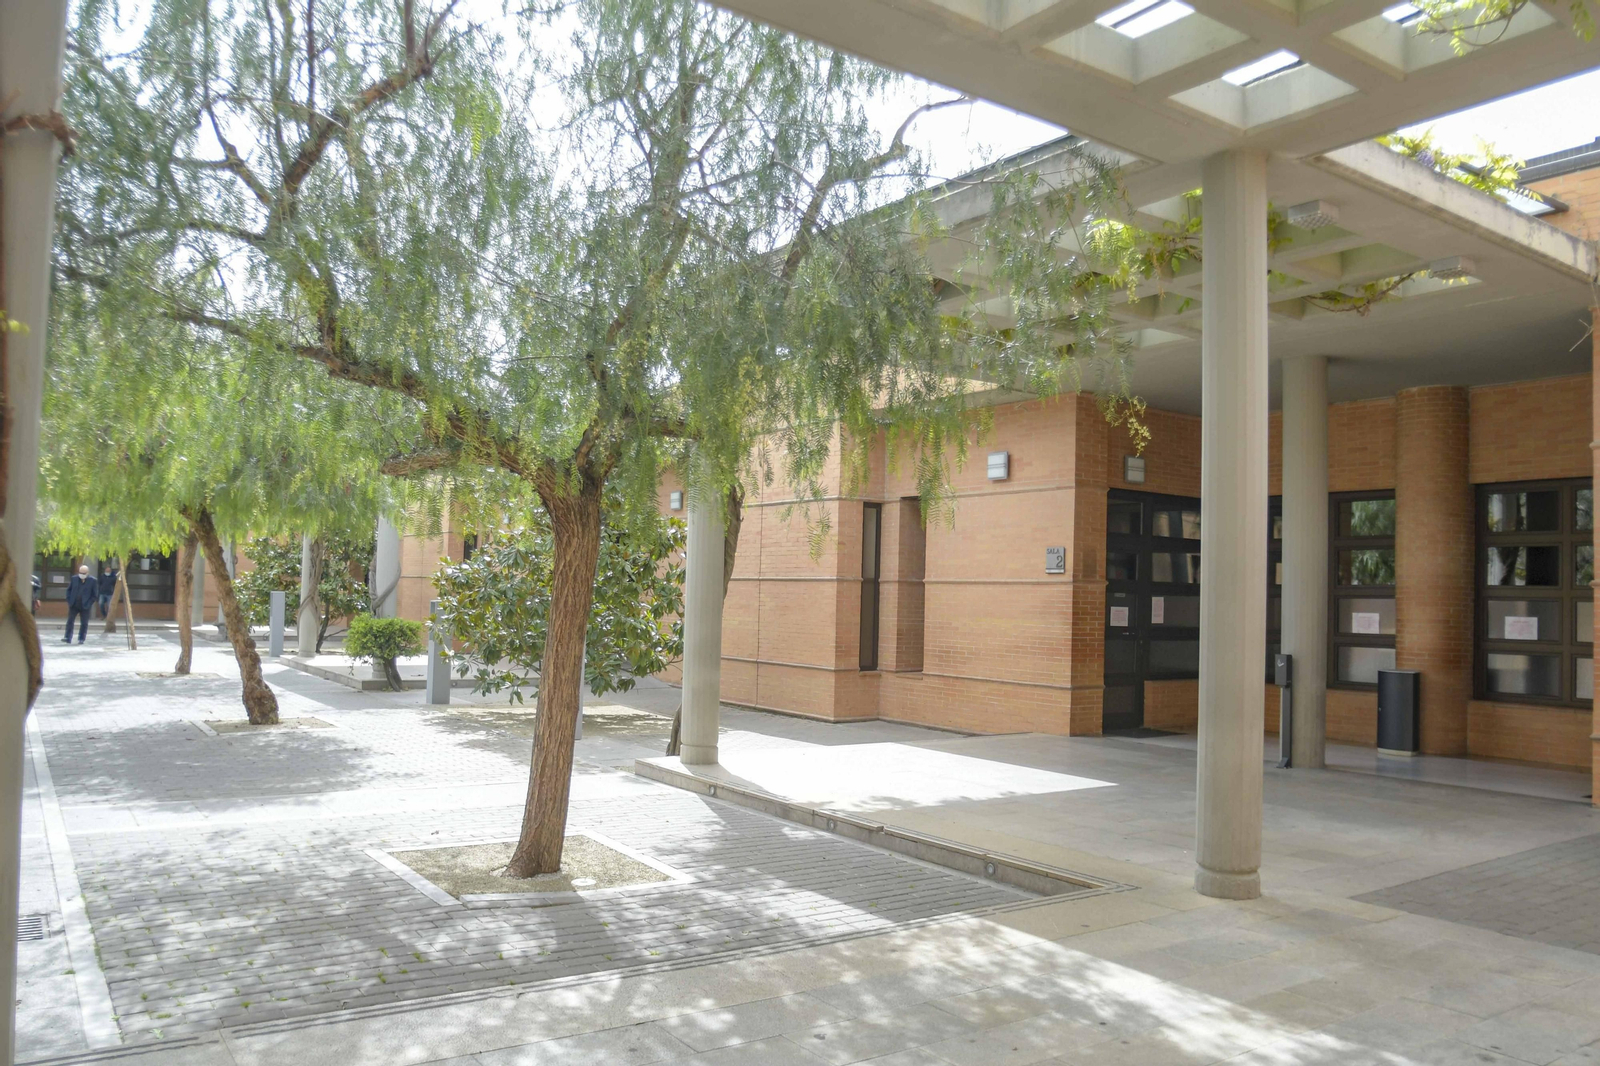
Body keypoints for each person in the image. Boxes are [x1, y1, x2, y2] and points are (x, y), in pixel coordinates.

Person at [63, 564, 98, 645]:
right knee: (70, 621)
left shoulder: (93, 581)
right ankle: (68, 637)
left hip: (85, 605)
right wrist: (69, 599)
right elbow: (69, 590)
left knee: (84, 623)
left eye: (84, 573)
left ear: (87, 573)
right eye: (80, 573)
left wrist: (89, 603)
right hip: (74, 604)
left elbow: (94, 595)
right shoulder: (74, 579)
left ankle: (81, 638)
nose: (82, 575)